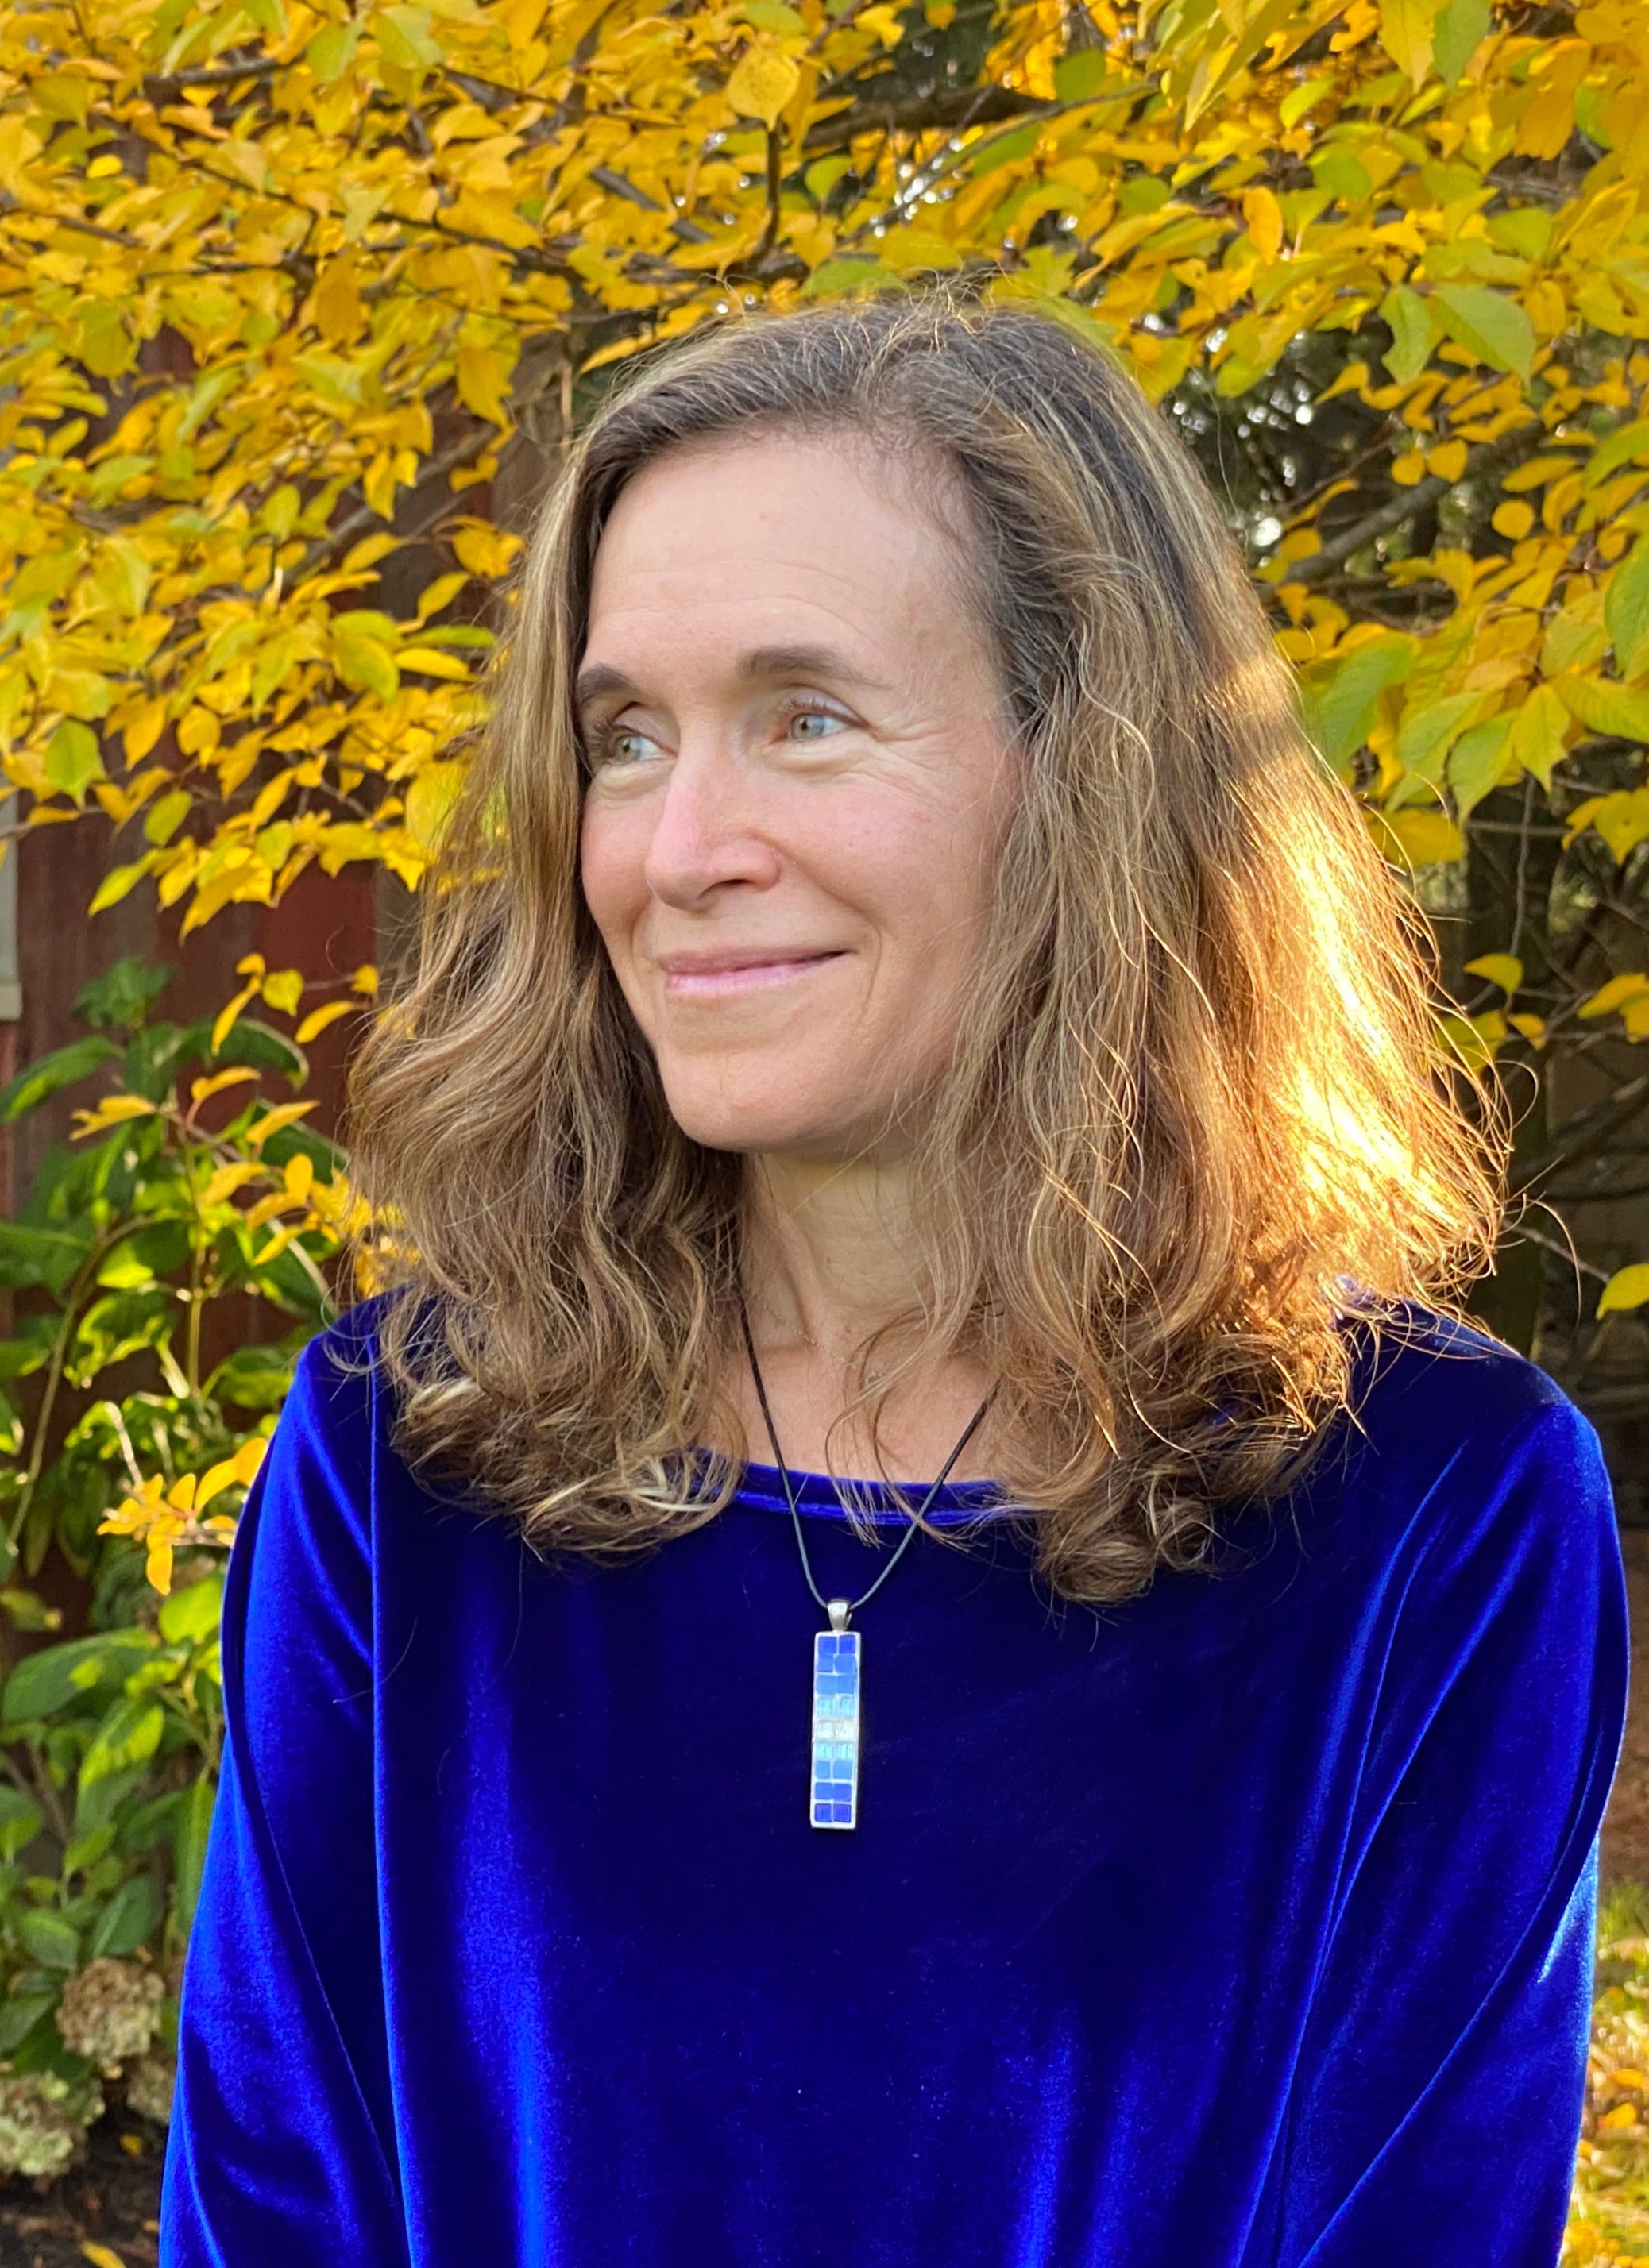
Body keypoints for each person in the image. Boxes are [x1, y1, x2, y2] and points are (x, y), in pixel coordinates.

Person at [158, 287, 1628, 2265]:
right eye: (623, 738)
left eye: (809, 718)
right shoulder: (403, 1455)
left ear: (1084, 780)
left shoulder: (1429, 1509)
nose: (677, 847)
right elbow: (271, 2208)